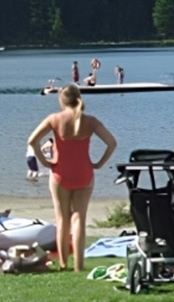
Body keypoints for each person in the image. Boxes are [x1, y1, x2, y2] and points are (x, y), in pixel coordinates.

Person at [27, 83, 118, 271]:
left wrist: (44, 161)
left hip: (60, 172)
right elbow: (112, 143)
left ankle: (63, 264)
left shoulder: (54, 119)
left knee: (62, 220)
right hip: (84, 172)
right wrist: (99, 163)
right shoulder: (90, 121)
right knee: (79, 219)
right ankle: (79, 265)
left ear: (61, 100)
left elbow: (32, 140)